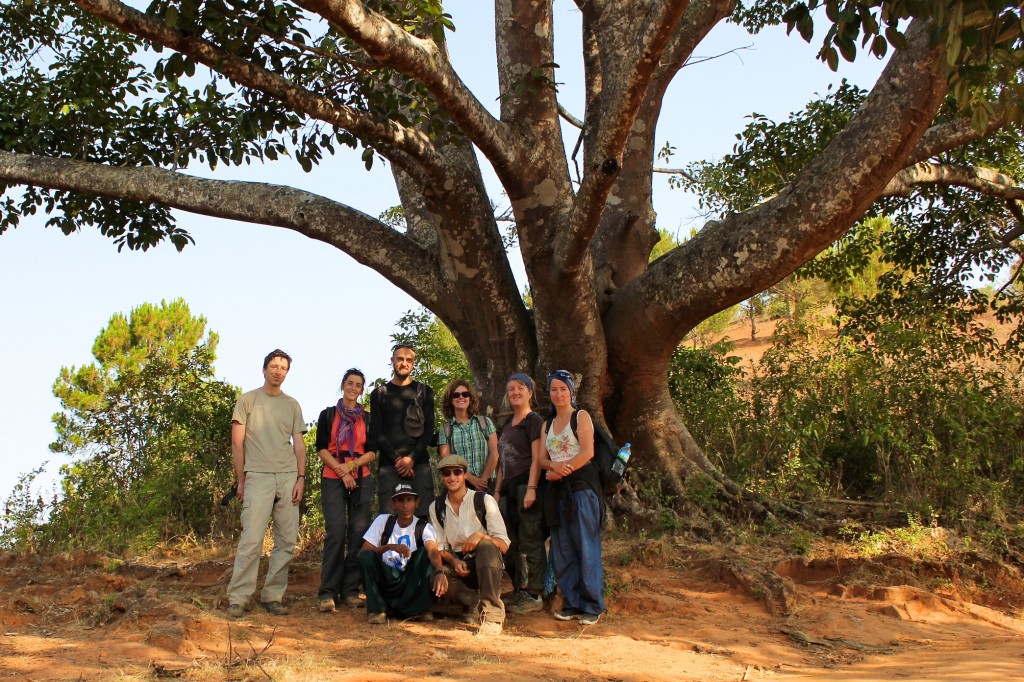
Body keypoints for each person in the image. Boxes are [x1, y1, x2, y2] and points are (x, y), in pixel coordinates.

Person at [226, 350, 306, 618]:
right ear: (264, 369)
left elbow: (299, 444)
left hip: (287, 476)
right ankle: (238, 598)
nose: (278, 371)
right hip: (257, 475)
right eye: (274, 366)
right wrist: (241, 479)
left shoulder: (292, 404)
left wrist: (300, 479)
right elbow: (237, 442)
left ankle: (272, 596)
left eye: (283, 368)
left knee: (285, 541)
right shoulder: (248, 400)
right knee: (251, 540)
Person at [538, 370, 605, 626]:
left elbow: (587, 452)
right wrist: (553, 468)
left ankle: (593, 605)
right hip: (557, 492)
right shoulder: (548, 424)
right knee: (563, 547)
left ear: (571, 392)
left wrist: (562, 470)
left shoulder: (581, 417)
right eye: (554, 389)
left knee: (586, 545)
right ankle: (572, 602)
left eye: (562, 389)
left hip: (582, 487)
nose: (558, 394)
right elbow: (542, 458)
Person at [315, 368, 376, 613]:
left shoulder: (368, 419)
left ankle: (351, 590)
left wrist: (351, 467)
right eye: (349, 383)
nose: (353, 388)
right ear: (342, 385)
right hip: (332, 476)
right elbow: (321, 448)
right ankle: (328, 591)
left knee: (358, 534)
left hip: (361, 476)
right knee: (336, 532)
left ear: (362, 389)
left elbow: (372, 451)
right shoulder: (328, 415)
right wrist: (342, 471)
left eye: (358, 384)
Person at [429, 454, 510, 637]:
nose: (452, 477)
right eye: (446, 473)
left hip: (486, 563)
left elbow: (504, 545)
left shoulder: (484, 500)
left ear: (465, 474)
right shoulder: (436, 507)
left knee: (487, 547)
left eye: (457, 472)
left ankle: (492, 617)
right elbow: (440, 547)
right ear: (441, 477)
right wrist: (454, 562)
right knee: (435, 574)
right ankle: (471, 603)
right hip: (460, 566)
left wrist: (481, 536)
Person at [493, 373, 546, 614]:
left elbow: (538, 458)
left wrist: (532, 488)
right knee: (509, 542)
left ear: (530, 393)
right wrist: (496, 493)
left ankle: (535, 594)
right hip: (507, 491)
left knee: (531, 539)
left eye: (521, 387)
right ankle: (520, 588)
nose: (515, 392)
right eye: (511, 388)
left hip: (527, 486)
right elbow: (502, 463)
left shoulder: (533, 421)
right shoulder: (506, 426)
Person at [358, 483, 446, 624]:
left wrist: (440, 571)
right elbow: (364, 552)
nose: (405, 505)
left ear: (416, 503)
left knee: (424, 553)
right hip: (387, 577)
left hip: (409, 580)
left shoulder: (423, 527)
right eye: (400, 500)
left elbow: (433, 550)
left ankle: (417, 608)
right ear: (392, 503)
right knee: (366, 557)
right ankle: (378, 609)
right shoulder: (383, 521)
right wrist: (388, 547)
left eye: (409, 500)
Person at [368, 343, 436, 517]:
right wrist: (399, 460)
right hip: (389, 467)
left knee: (424, 519)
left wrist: (411, 459)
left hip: (419, 465)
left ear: (413, 363)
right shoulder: (379, 394)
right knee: (389, 521)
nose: (404, 363)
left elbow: (429, 431)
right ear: (392, 361)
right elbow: (377, 432)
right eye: (400, 359)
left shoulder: (424, 392)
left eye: (408, 360)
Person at [437, 380, 498, 493]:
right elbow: (447, 461)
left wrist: (482, 480)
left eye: (465, 394)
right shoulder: (446, 429)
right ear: (450, 400)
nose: (461, 397)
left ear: (470, 398)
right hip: (460, 486)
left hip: (487, 483)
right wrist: (470, 478)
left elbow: (494, 453)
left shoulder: (484, 422)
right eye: (456, 395)